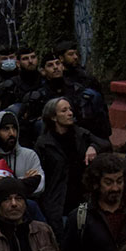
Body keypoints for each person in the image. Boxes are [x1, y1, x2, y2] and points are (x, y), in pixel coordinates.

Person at [35, 96, 105, 238]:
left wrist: (93, 147)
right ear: (54, 117)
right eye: (64, 110)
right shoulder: (43, 144)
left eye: (70, 109)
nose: (70, 113)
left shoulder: (81, 134)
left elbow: (105, 144)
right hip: (58, 203)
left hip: (83, 199)